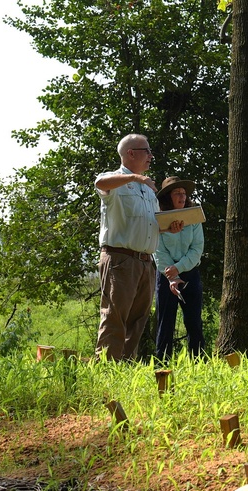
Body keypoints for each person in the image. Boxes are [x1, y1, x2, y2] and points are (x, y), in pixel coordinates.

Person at [94, 134, 182, 361]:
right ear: (131, 153)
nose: (151, 156)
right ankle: (105, 368)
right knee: (115, 316)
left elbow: (146, 222)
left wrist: (166, 228)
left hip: (145, 262)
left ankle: (123, 367)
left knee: (139, 319)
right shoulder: (114, 179)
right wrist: (135, 178)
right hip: (120, 259)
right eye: (147, 151)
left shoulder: (148, 188)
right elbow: (99, 184)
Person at [154, 176, 206, 358]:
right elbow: (157, 250)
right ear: (168, 196)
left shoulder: (194, 217)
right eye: (177, 193)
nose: (182, 196)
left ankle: (199, 366)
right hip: (166, 275)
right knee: (165, 322)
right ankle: (161, 366)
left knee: (194, 322)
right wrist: (171, 275)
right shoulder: (157, 220)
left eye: (184, 193)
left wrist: (179, 267)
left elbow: (197, 248)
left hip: (190, 274)